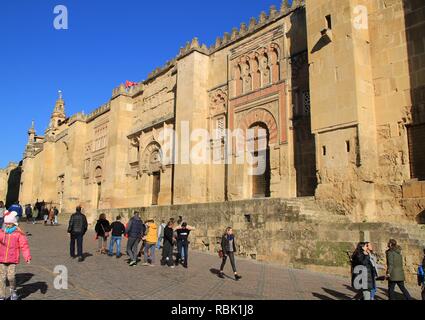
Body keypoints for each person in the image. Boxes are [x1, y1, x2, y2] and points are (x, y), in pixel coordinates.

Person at [0, 211, 31, 300]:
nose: (8, 225)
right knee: (1, 278)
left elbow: (24, 246)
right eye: (6, 223)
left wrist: (27, 257)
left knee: (11, 277)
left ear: (14, 223)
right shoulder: (2, 232)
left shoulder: (18, 234)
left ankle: (13, 291)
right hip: (1, 259)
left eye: (10, 223)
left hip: (12, 260)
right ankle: (2, 295)